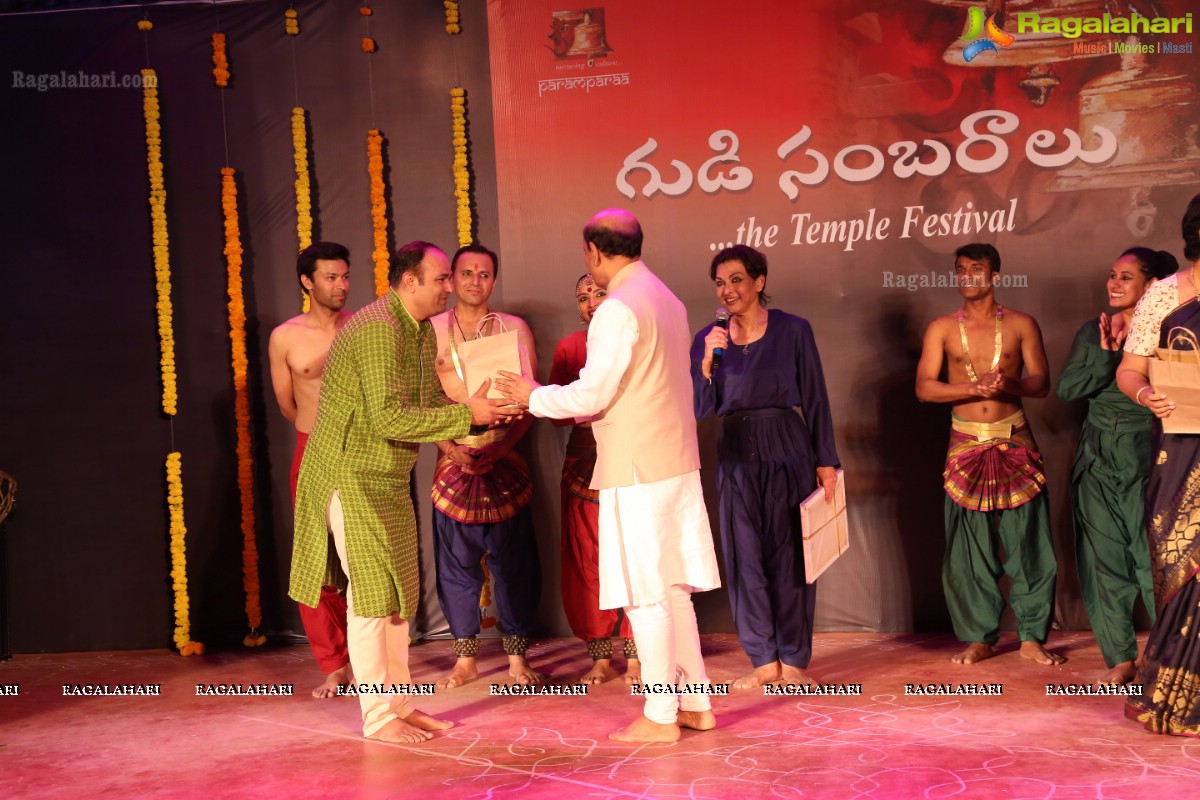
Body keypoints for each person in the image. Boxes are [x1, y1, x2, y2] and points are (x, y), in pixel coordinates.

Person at [496, 209, 722, 743]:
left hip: (639, 465)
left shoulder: (618, 309)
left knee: (648, 593)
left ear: (594, 252)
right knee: (673, 591)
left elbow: (593, 394)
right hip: (674, 460)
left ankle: (662, 716)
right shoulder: (666, 298)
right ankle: (696, 704)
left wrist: (530, 395)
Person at [288, 241, 514, 744]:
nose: (449, 287)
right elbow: (389, 416)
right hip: (350, 477)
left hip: (386, 478)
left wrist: (465, 426)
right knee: (370, 598)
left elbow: (426, 396)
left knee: (395, 598)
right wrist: (466, 416)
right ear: (409, 282)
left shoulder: (413, 330)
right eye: (440, 279)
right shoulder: (376, 329)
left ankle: (400, 705)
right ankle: (378, 718)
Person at [691, 245, 839, 690]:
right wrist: (705, 365)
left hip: (786, 446)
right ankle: (762, 660)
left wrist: (826, 461)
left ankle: (793, 660)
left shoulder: (794, 330)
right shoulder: (709, 338)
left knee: (790, 555)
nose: (728, 290)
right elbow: (702, 409)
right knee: (745, 558)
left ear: (759, 282)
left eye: (736, 279)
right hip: (735, 452)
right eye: (720, 282)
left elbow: (815, 396)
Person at [915, 243, 1063, 666]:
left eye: (975, 270)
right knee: (968, 550)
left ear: (995, 276)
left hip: (1014, 438)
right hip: (965, 444)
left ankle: (1033, 636)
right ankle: (979, 637)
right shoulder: (942, 327)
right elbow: (925, 388)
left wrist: (1008, 385)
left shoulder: (1021, 324)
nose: (966, 277)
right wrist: (972, 389)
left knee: (1031, 543)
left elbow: (1041, 384)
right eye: (960, 270)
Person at [1056, 248, 1178, 685]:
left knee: (1153, 559)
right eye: (1112, 275)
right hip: (1096, 454)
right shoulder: (1095, 330)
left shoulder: (1169, 329)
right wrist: (1107, 357)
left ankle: (1168, 658)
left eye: (1126, 277)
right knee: (1103, 558)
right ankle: (1121, 657)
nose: (1114, 283)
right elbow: (1068, 389)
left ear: (1151, 286)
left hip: (1147, 451)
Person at [427, 245, 544, 687]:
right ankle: (465, 660)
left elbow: (532, 398)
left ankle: (517, 659)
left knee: (514, 562)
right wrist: (448, 448)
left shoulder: (513, 329)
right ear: (452, 280)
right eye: (467, 273)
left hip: (505, 455)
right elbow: (417, 401)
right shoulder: (431, 330)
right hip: (451, 457)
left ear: (494, 281)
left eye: (485, 274)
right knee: (456, 563)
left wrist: (499, 448)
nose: (476, 281)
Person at [1118, 193, 1200, 736]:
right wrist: (1148, 396)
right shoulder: (1163, 296)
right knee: (1181, 564)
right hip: (1182, 450)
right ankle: (1178, 690)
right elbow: (1129, 370)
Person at [267, 241, 353, 698]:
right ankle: (334, 665)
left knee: (361, 559)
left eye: (344, 276)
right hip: (312, 449)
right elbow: (287, 404)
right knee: (315, 564)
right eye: (330, 277)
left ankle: (371, 658)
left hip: (357, 453)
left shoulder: (360, 327)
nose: (341, 285)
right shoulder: (286, 336)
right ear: (307, 281)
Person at [548, 274, 640, 684]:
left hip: (629, 456)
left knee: (633, 557)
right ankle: (600, 658)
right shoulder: (570, 346)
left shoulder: (633, 336)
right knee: (588, 562)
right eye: (582, 297)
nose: (590, 302)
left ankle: (639, 658)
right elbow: (556, 409)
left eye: (599, 293)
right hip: (584, 462)